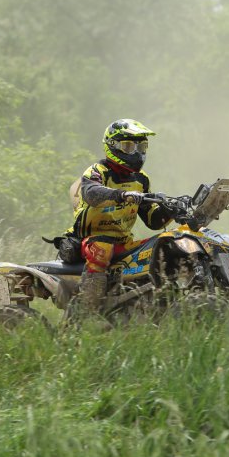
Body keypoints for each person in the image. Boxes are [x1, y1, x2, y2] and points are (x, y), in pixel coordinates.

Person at [67, 118, 175, 315]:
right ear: (112, 145)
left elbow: (152, 220)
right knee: (102, 249)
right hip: (89, 239)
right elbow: (91, 193)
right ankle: (85, 312)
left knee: (161, 243)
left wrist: (170, 210)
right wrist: (121, 195)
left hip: (123, 242)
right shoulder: (98, 171)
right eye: (128, 146)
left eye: (142, 147)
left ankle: (154, 303)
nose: (137, 153)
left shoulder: (141, 179)